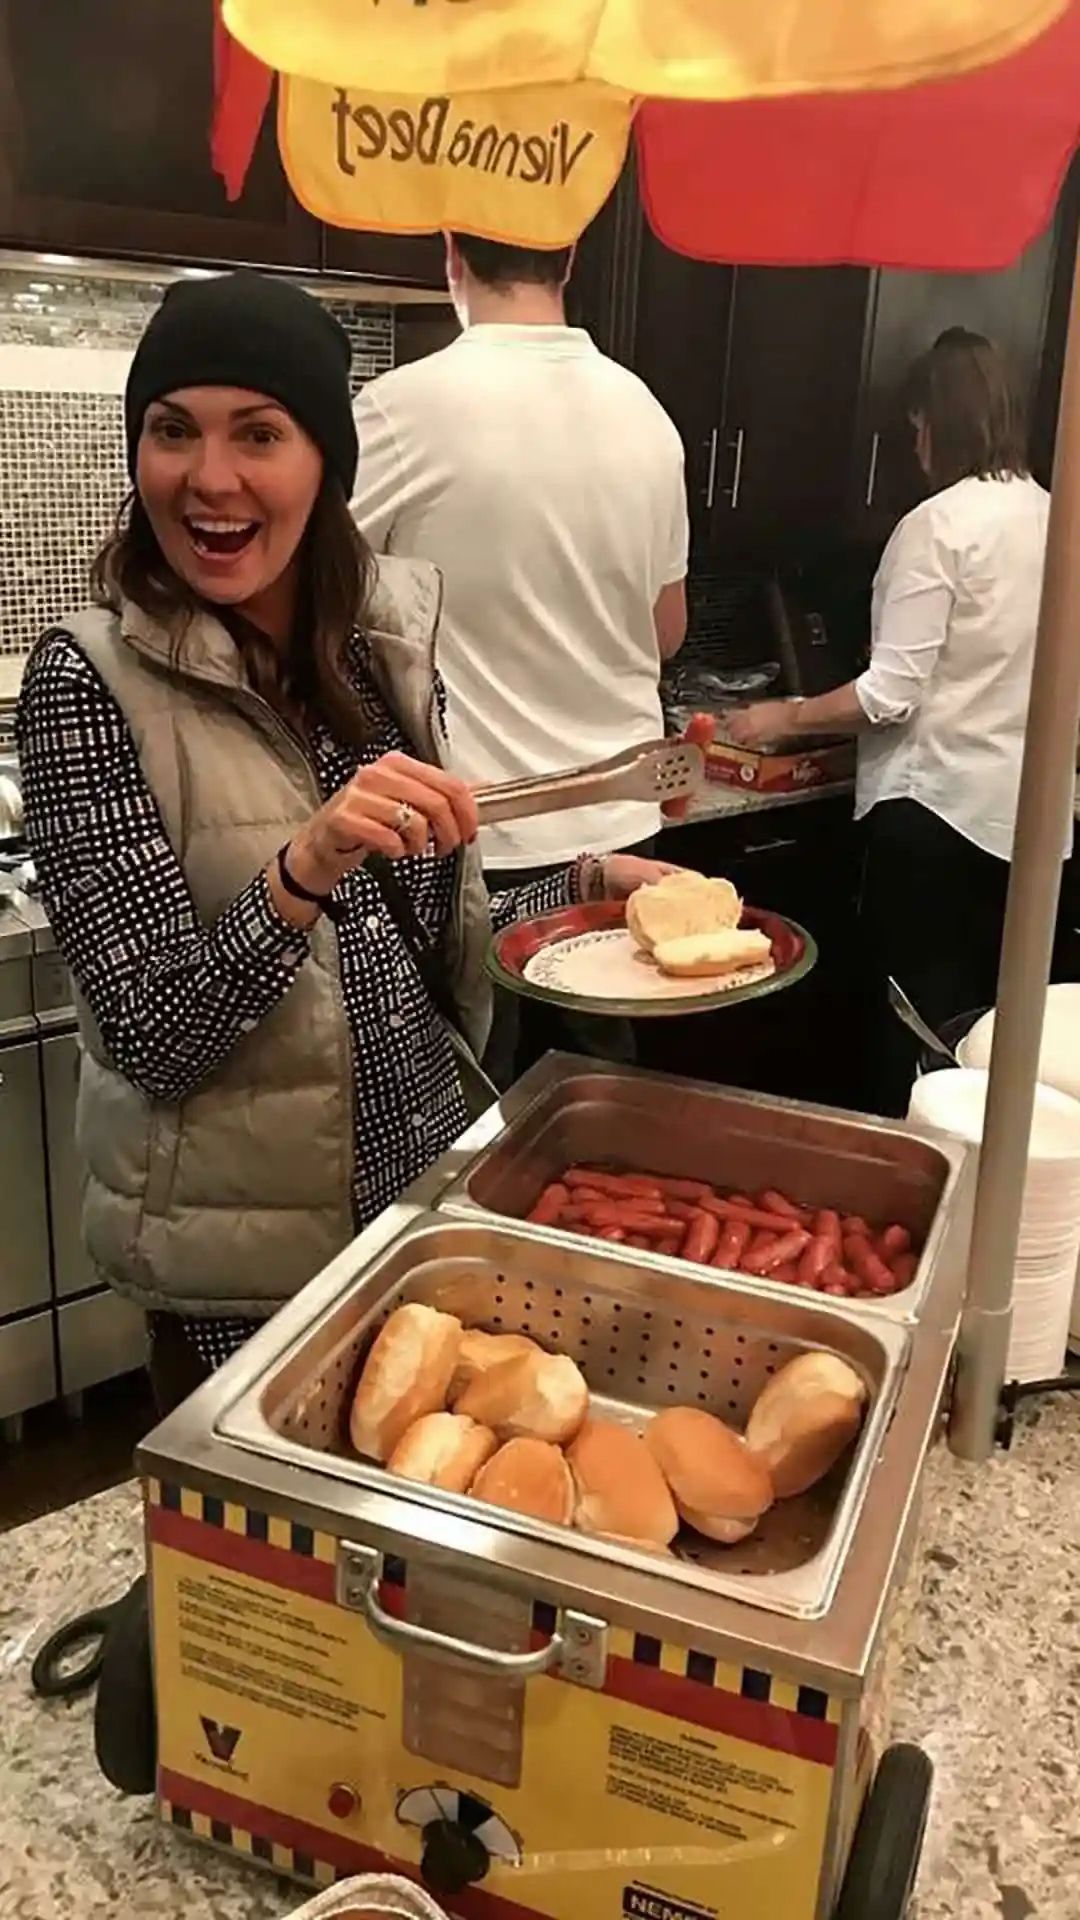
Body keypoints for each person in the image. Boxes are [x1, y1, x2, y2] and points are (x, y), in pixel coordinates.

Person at [15, 271, 674, 1415]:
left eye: (258, 434)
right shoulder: (87, 683)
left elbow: (406, 951)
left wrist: (584, 888)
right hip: (246, 1280)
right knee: (272, 1589)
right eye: (172, 431)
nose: (208, 477)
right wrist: (299, 871)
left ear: (326, 465)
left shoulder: (374, 657)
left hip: (424, 1210)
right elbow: (152, 1038)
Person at [351, 233, 689, 1084]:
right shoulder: (646, 412)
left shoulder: (401, 408)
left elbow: (301, 593)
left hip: (478, 841)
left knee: (472, 1122)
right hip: (624, 830)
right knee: (598, 1121)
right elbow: (667, 631)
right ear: (573, 257)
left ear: (451, 253)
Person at [727, 328, 1051, 1114]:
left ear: (937, 420)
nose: (913, 443)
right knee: (983, 1044)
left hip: (935, 821)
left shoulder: (938, 526)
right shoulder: (1053, 515)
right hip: (1030, 831)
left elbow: (889, 694)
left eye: (914, 426)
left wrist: (783, 716)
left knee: (908, 1034)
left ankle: (899, 1185)